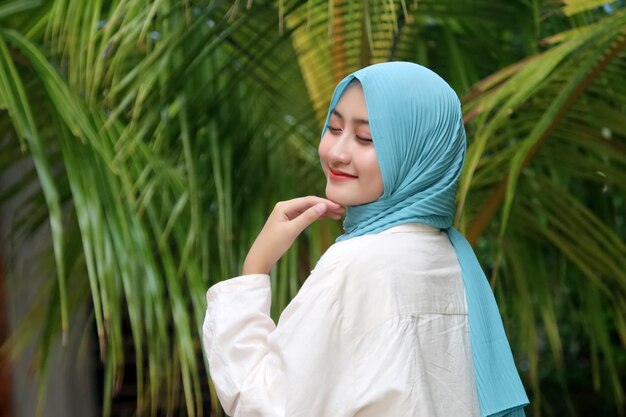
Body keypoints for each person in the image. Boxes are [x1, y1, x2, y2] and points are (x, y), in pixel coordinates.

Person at [202, 61, 529, 417]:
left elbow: (264, 404)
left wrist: (255, 268)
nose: (337, 153)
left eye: (366, 138)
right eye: (334, 127)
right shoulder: (451, 258)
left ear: (417, 154)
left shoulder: (357, 265)